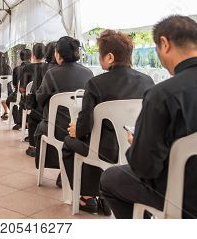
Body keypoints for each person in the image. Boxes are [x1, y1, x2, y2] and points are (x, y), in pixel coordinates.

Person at [100, 15, 197, 219]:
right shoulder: (151, 84)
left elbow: (145, 167)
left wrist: (138, 144)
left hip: (183, 194)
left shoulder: (162, 94)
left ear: (164, 43)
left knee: (110, 178)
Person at [62, 30, 154, 215]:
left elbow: (86, 125)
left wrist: (76, 131)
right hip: (131, 147)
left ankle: (87, 197)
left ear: (110, 57)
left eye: (99, 53)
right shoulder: (147, 81)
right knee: (94, 141)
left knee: (70, 144)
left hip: (103, 150)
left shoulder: (95, 84)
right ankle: (104, 197)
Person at [34, 37, 93, 180]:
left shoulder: (52, 73)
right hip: (81, 129)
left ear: (58, 55)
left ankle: (61, 167)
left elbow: (40, 99)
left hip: (57, 128)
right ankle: (66, 171)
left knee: (40, 129)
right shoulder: (89, 73)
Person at [19, 43, 46, 156]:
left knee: (26, 106)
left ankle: (32, 145)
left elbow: (22, 89)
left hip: (32, 102)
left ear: (33, 55)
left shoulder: (27, 67)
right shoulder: (49, 67)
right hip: (45, 103)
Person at [7, 48, 31, 130]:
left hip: (20, 95)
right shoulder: (36, 68)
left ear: (20, 58)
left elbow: (14, 84)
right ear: (31, 56)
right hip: (33, 95)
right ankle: (26, 122)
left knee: (9, 100)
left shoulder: (17, 69)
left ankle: (19, 122)